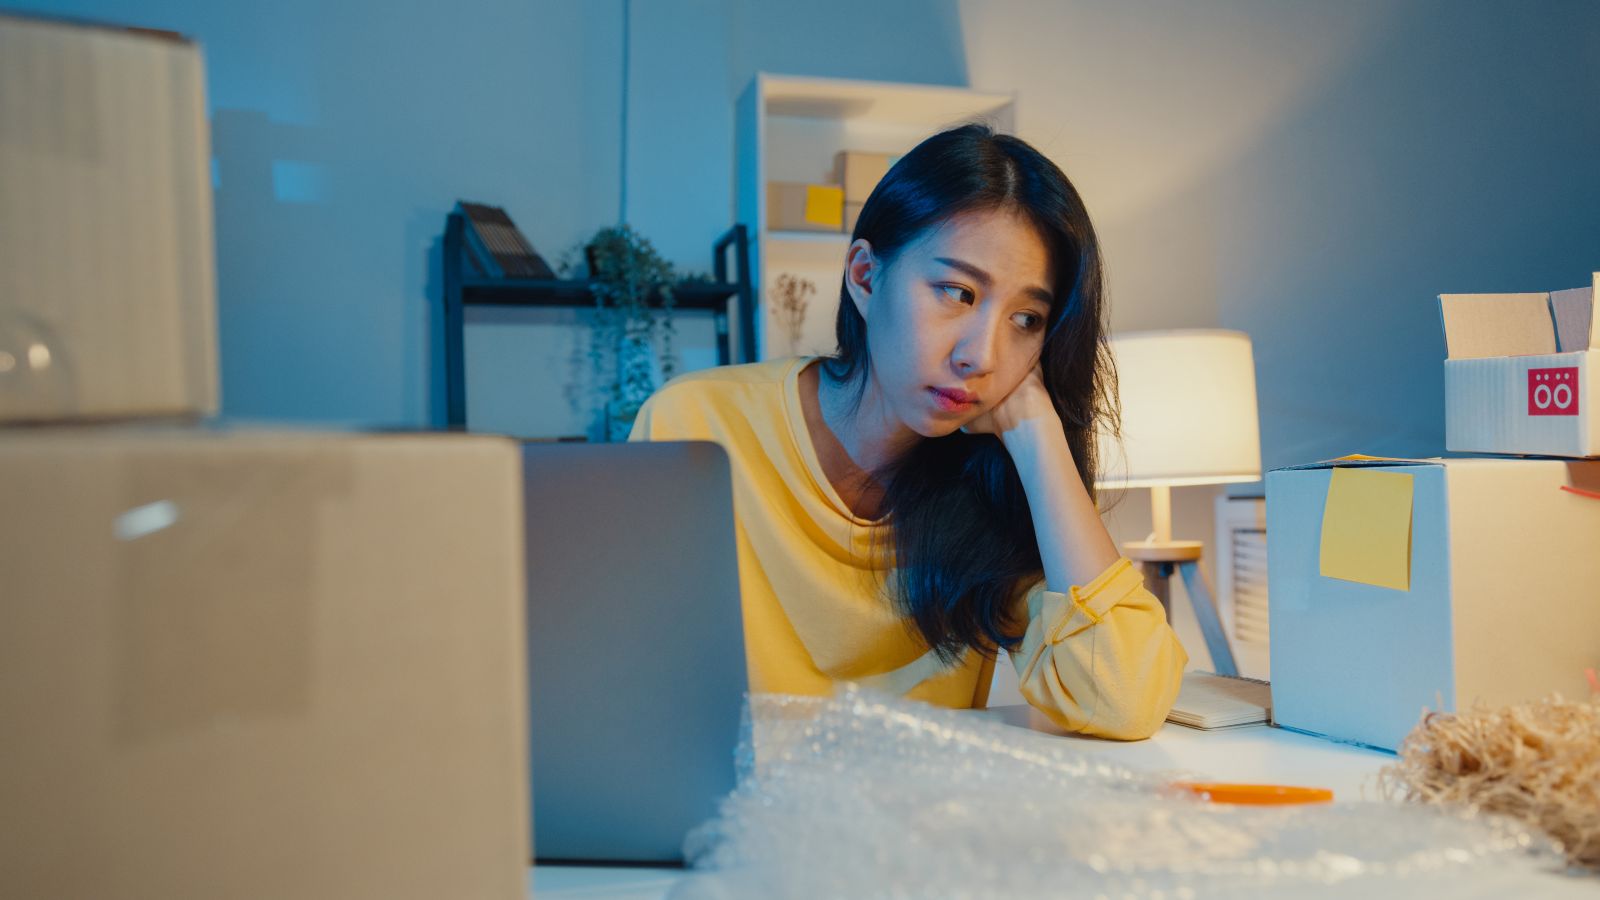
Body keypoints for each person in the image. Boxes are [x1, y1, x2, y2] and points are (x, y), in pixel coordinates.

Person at [629, 123, 1186, 740]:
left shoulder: (995, 488)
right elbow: (631, 683)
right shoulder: (696, 427)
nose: (983, 354)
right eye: (957, 292)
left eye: (1026, 318)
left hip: (912, 825)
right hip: (742, 820)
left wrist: (1038, 436)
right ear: (865, 277)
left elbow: (1124, 700)